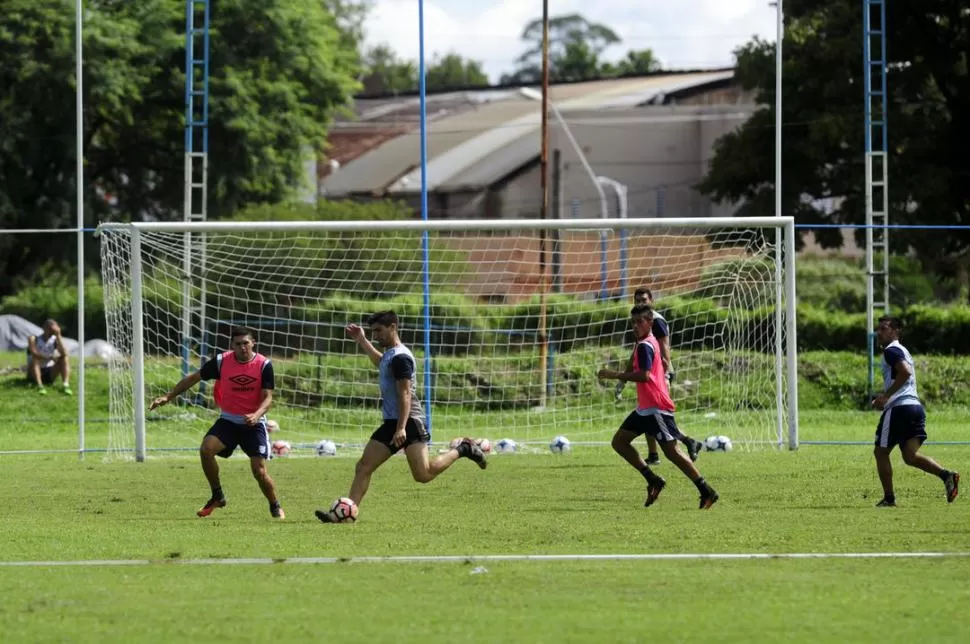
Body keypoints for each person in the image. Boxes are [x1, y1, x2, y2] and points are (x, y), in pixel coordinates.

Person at [316, 310, 486, 523]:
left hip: (410, 422)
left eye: (379, 330)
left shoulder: (401, 358)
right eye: (373, 331)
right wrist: (362, 340)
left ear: (393, 327)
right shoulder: (390, 354)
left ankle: (463, 449)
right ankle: (346, 513)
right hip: (392, 422)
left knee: (423, 475)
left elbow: (405, 394)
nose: (376, 335)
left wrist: (401, 428)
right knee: (363, 466)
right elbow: (382, 363)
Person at [149, 326, 285, 520]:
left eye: (246, 343)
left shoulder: (264, 365)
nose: (242, 347)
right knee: (206, 449)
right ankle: (217, 495)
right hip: (228, 421)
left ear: (253, 343)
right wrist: (168, 396)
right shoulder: (222, 362)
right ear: (232, 345)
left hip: (253, 424)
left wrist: (256, 415)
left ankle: (275, 505)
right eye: (238, 344)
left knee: (259, 471)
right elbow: (194, 378)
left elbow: (268, 398)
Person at [599, 303, 719, 509]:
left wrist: (614, 374)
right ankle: (653, 479)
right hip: (645, 409)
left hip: (656, 407)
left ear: (650, 323)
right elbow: (659, 363)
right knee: (619, 442)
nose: (635, 326)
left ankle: (707, 491)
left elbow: (645, 376)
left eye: (640, 322)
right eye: (633, 322)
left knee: (672, 452)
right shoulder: (646, 342)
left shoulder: (646, 344)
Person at [871, 315, 959, 507]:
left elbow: (905, 372)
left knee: (880, 452)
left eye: (884, 328)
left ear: (896, 331)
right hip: (915, 408)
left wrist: (886, 396)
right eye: (879, 329)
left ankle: (889, 498)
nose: (879, 332)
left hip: (899, 408)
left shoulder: (891, 350)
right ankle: (947, 476)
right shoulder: (903, 350)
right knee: (910, 456)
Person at [615, 288, 703, 464]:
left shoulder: (656, 321)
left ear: (651, 301)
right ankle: (659, 453)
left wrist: (664, 376)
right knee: (649, 414)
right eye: (637, 300)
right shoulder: (640, 322)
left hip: (660, 375)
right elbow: (635, 353)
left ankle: (683, 445)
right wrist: (623, 379)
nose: (640, 303)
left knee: (656, 416)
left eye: (644, 300)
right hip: (651, 375)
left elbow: (665, 350)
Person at [26, 319, 72, 395]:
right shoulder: (34, 338)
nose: (52, 332)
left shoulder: (55, 340)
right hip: (33, 372)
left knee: (65, 358)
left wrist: (59, 336)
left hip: (49, 371)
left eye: (54, 330)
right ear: (44, 328)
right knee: (35, 359)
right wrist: (50, 357)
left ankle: (66, 385)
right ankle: (40, 386)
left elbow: (65, 353)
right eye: (50, 329)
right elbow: (34, 353)